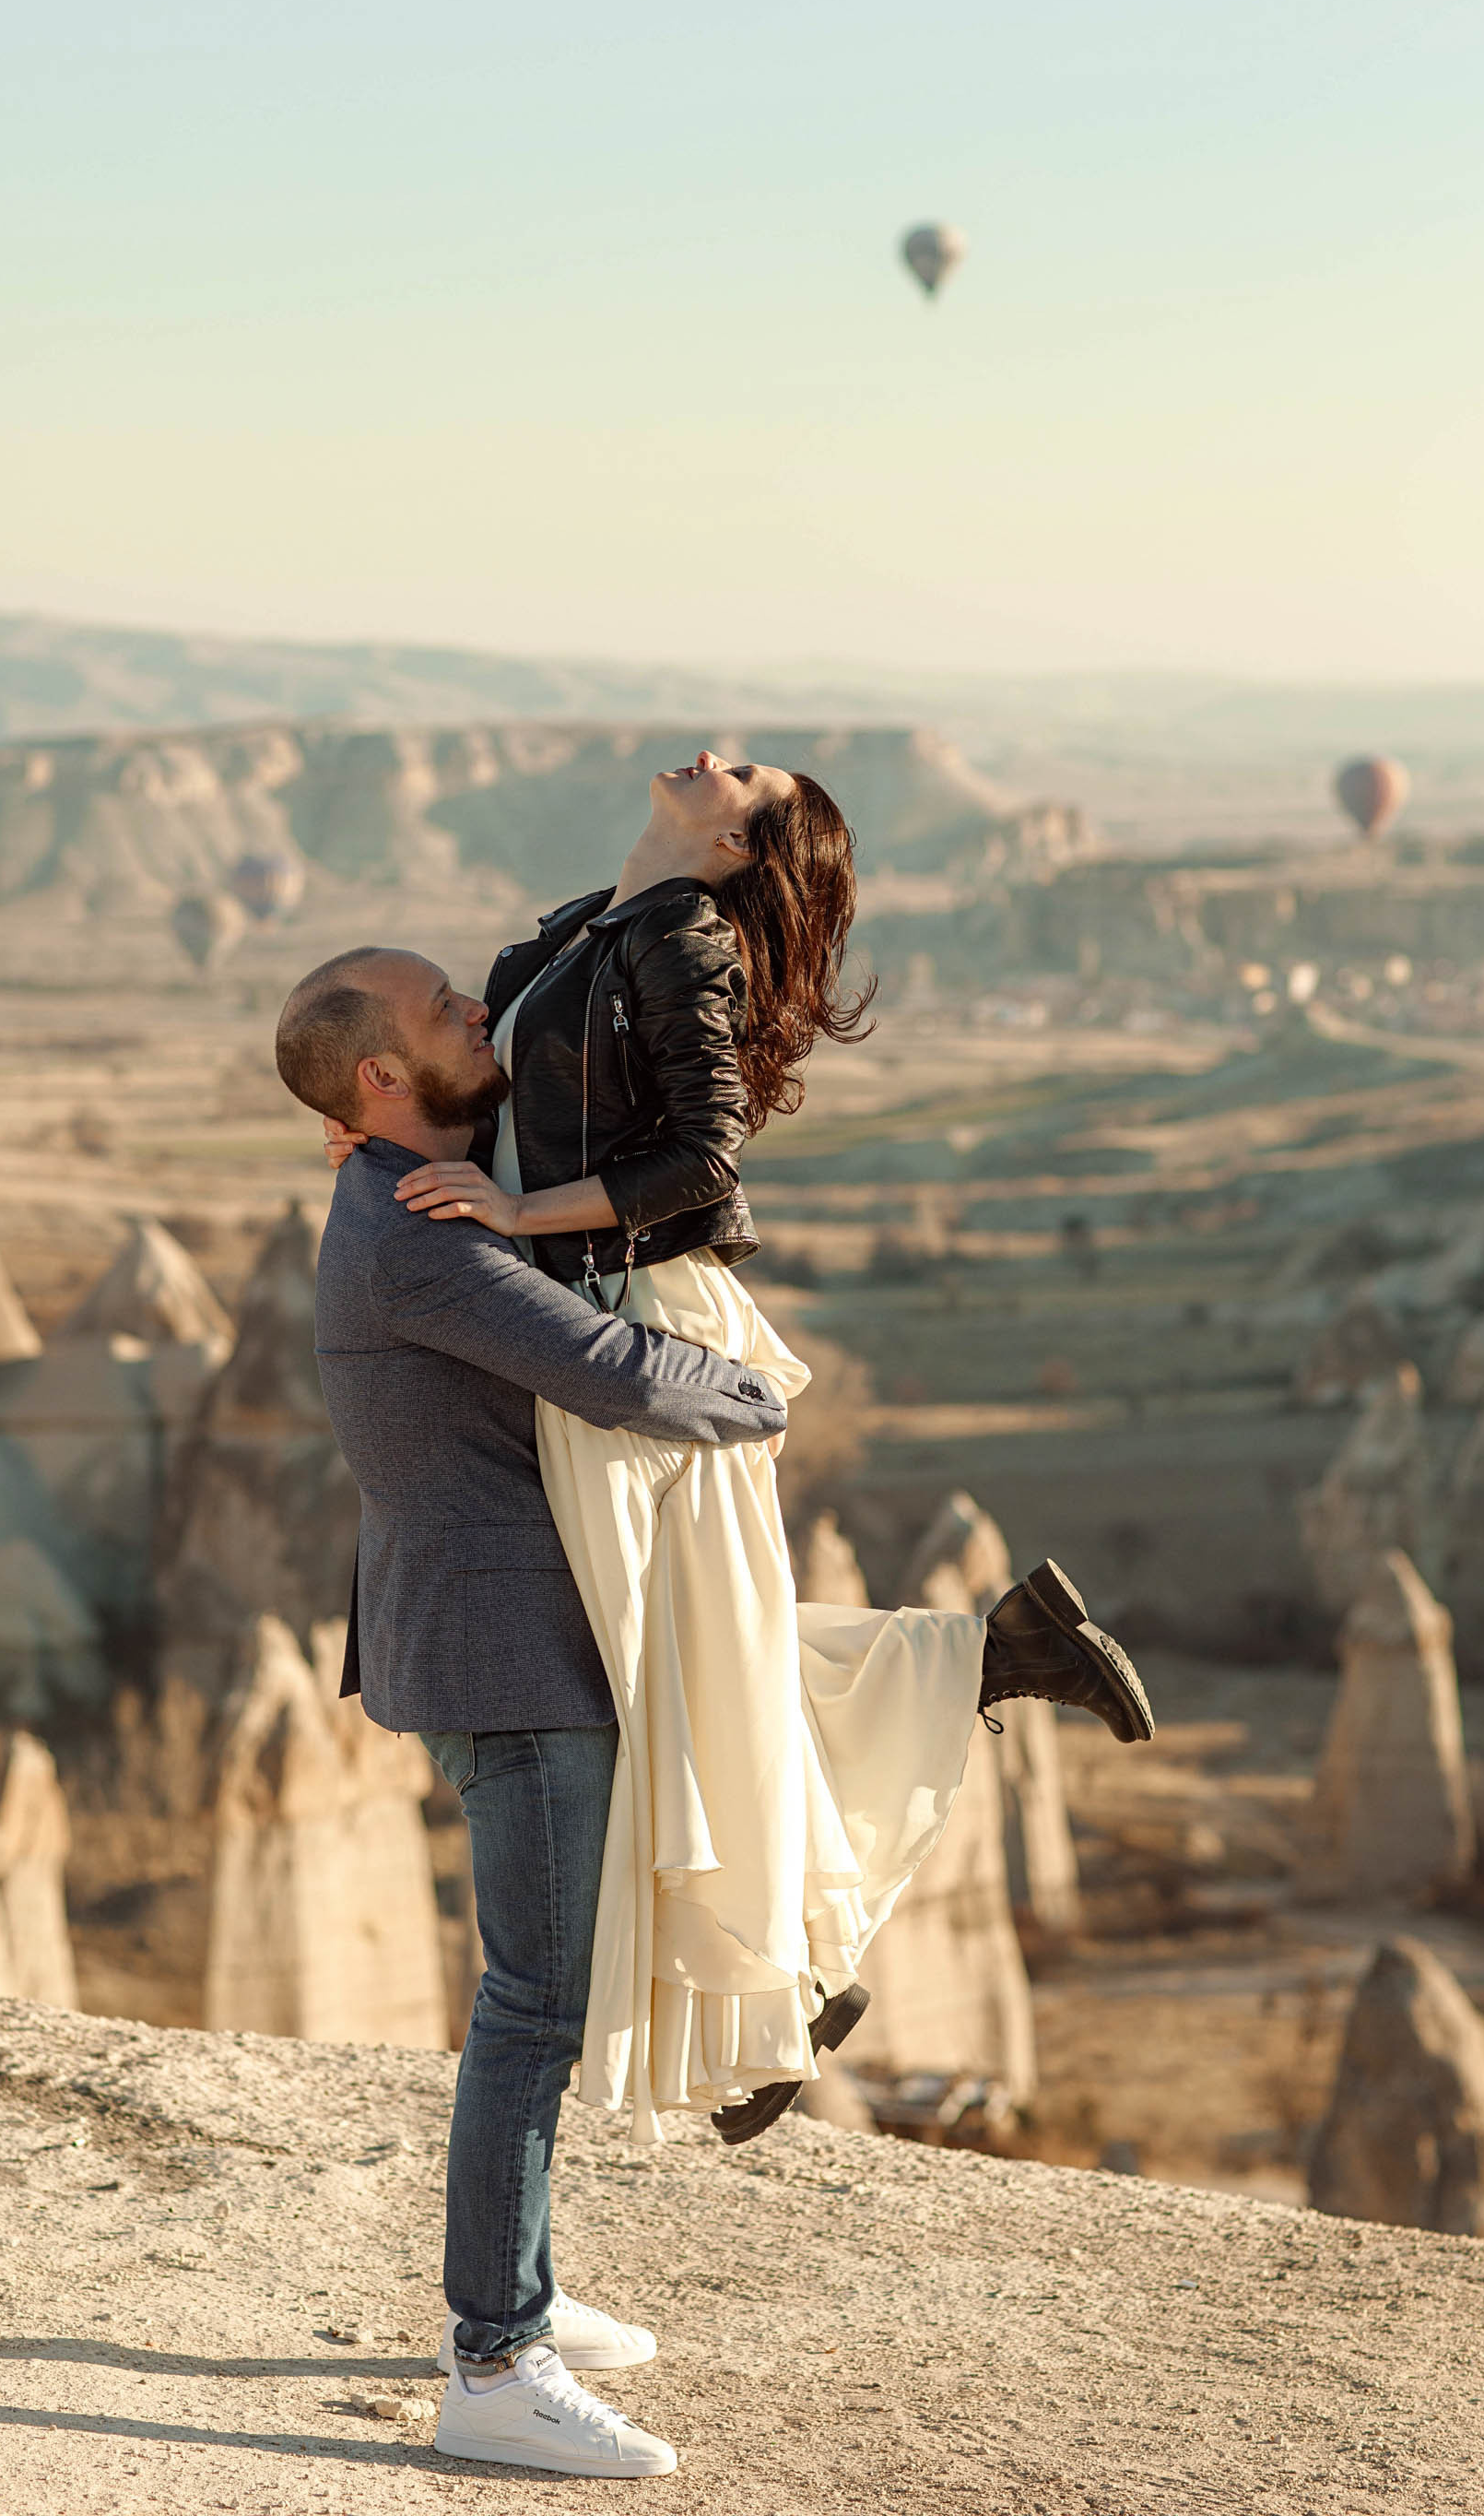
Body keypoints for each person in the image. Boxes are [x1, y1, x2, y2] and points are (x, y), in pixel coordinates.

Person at [321, 752, 1153, 2144]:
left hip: (630, 1307)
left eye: (750, 777)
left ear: (738, 848)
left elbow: (704, 1166)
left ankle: (775, 1979)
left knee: (676, 1655)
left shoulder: (679, 936)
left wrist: (519, 1225)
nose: (717, 755)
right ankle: (971, 1691)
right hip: (583, 1296)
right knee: (688, 1643)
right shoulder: (596, 916)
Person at [277, 943, 787, 2478]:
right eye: (443, 1013)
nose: (477, 1019)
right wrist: (766, 1392)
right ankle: (493, 2362)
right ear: (381, 1078)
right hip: (510, 1660)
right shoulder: (414, 1236)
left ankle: (526, 2302)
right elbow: (616, 1372)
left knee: (543, 1994)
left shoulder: (415, 1193)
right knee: (534, 2006)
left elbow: (558, 952)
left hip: (512, 1645)